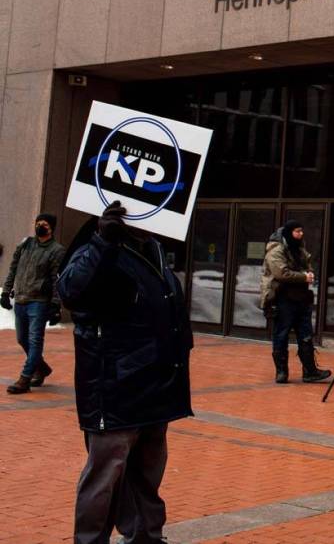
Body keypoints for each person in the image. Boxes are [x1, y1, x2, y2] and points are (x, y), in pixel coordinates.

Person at [57, 201, 193, 544]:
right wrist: (104, 242)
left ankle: (146, 536)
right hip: (115, 386)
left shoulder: (153, 249)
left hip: (156, 386)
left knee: (146, 474)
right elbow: (72, 290)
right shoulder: (97, 247)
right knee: (106, 476)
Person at [260, 219, 331, 384]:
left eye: (301, 231)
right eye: (297, 231)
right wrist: (304, 276)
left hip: (301, 299)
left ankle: (310, 371)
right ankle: (282, 372)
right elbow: (281, 273)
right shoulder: (276, 250)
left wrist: (309, 274)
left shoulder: (299, 249)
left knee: (305, 335)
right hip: (282, 299)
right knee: (281, 335)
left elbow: (307, 266)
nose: (301, 234)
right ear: (289, 232)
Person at [2, 212, 65, 394]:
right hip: (21, 298)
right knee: (22, 339)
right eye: (38, 222)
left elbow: (56, 280)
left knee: (35, 340)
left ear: (52, 228)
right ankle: (42, 368)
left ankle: (25, 379)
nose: (40, 226)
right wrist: (6, 292)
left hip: (38, 302)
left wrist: (55, 305)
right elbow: (13, 269)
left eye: (44, 223)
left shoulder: (57, 251)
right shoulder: (25, 244)